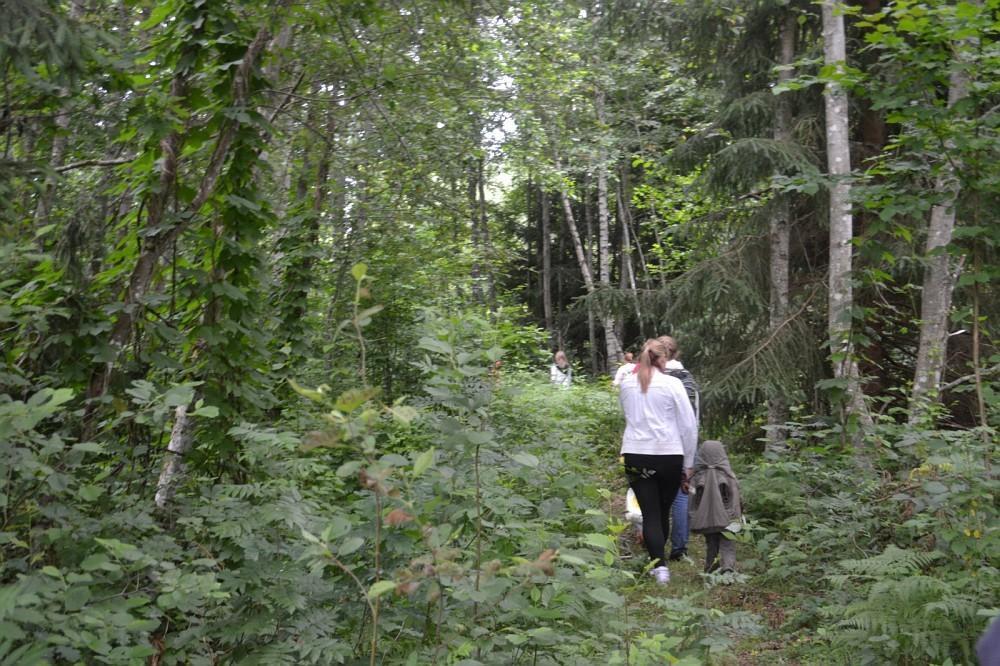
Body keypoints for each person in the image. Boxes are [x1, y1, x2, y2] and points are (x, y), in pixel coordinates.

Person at [619, 338, 698, 585]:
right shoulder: (673, 384)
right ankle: (659, 562)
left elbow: (628, 416)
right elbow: (688, 425)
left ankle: (659, 566)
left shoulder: (626, 384)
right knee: (663, 510)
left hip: (635, 453)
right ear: (664, 359)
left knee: (650, 512)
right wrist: (689, 462)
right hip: (669, 456)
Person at [657, 335, 701, 561]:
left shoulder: (649, 379)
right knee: (681, 496)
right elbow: (694, 419)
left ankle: (654, 545)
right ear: (676, 353)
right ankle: (679, 548)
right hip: (681, 447)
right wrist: (690, 459)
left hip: (653, 446)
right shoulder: (687, 380)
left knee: (652, 496)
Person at [688, 439, 743, 574]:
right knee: (728, 543)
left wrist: (694, 516)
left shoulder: (697, 477)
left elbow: (692, 499)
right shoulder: (729, 476)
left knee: (711, 544)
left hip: (707, 519)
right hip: (728, 518)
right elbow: (737, 498)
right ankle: (728, 568)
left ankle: (711, 568)